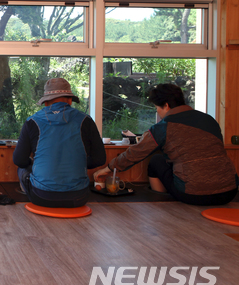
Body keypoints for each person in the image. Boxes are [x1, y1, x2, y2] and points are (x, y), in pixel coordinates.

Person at [93, 83, 238, 206]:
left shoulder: (164, 127)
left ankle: (161, 202)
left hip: (194, 194)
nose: (158, 112)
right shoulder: (209, 119)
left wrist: (108, 168)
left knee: (157, 160)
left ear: (166, 105)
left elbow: (135, 153)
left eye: (157, 108)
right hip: (229, 191)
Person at [13, 78, 106, 208]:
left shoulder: (32, 122)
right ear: (69, 100)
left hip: (41, 197)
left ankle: (28, 190)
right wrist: (77, 161)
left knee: (22, 168)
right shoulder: (86, 120)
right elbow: (99, 159)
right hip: (79, 198)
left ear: (45, 103)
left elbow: (19, 160)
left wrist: (33, 163)